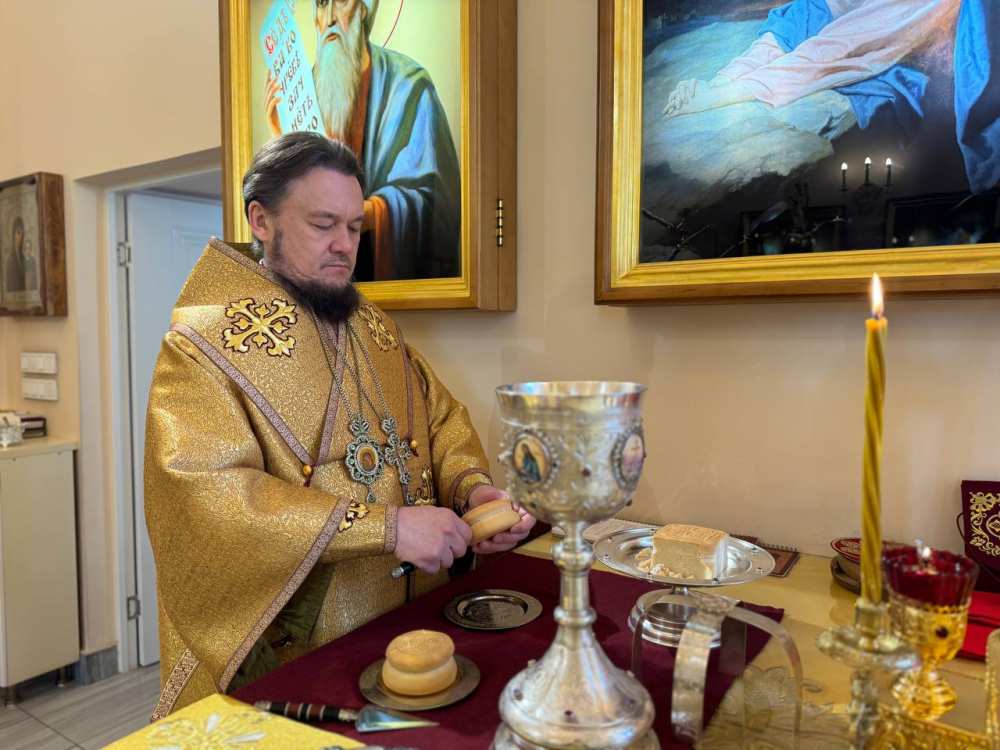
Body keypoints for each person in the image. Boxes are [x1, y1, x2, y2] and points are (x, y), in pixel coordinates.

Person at [144, 132, 533, 718]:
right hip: (300, 650)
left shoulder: (371, 326)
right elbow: (208, 497)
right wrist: (385, 529)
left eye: (354, 227)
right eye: (323, 224)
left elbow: (439, 421)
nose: (344, 246)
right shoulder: (203, 346)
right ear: (261, 220)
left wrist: (471, 492)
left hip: (411, 622)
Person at [662, 0, 999, 193]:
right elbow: (802, 20)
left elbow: (845, 46)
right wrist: (722, 80)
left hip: (942, 71)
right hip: (871, 42)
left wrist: (734, 92)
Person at [265, 0, 460, 280]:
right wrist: (280, 137)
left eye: (341, 3)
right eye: (321, 5)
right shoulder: (306, 96)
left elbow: (432, 202)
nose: (330, 18)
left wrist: (358, 214)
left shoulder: (409, 85)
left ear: (363, 10)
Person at [4, 217, 37, 293]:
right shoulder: (10, 260)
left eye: (22, 233)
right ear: (13, 234)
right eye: (18, 232)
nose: (21, 236)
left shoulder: (24, 257)